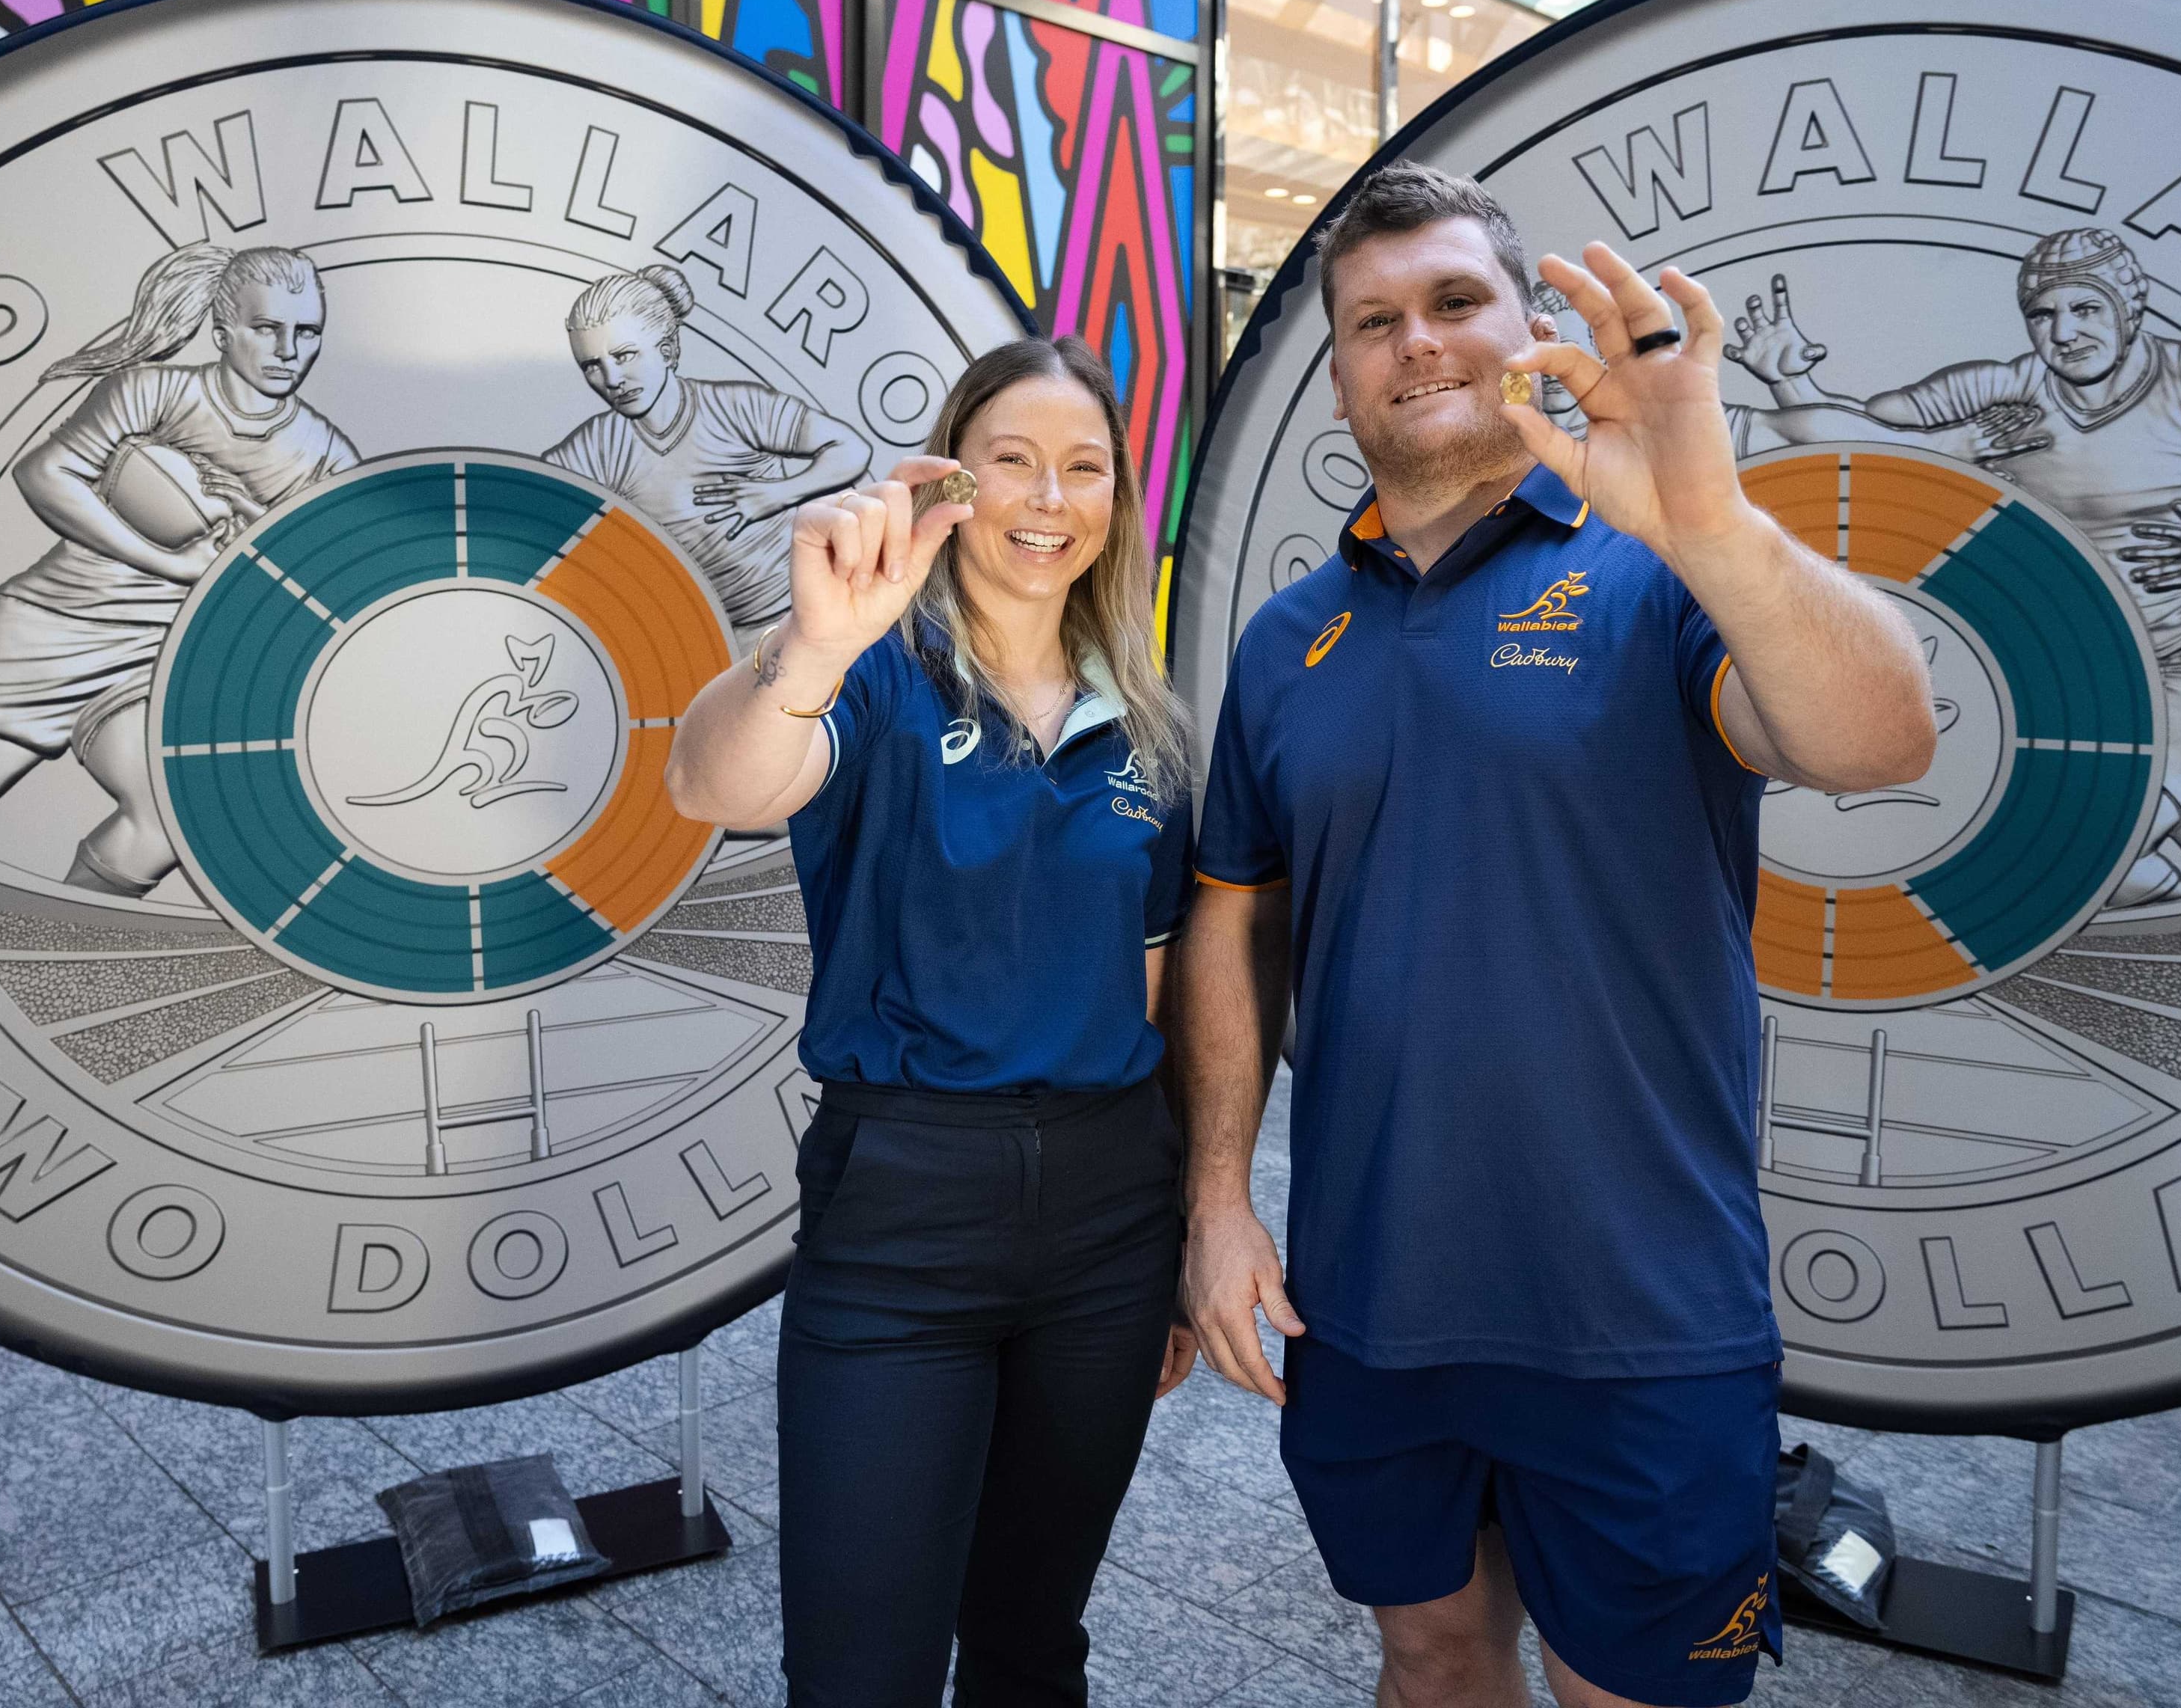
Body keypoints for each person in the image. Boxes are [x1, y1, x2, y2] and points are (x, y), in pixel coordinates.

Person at [1178, 162, 1937, 1708]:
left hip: (1640, 1312)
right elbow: (1234, 916)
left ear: (1528, 326)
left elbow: (1882, 738)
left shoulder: (1661, 572)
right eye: (1374, 321)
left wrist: (1711, 519)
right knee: (1430, 1658)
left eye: (1455, 299)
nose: (1417, 341)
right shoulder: (1285, 642)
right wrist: (1217, 1197)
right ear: (1341, 381)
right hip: (1369, 1301)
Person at [664, 335, 1199, 1706]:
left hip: (1108, 1225)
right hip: (904, 1212)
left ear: (1119, 498)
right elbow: (714, 785)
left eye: (1085, 467)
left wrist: (1185, 1237)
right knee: (863, 1673)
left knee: (1033, 1645)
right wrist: (811, 646)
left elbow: (1154, 999)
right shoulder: (877, 675)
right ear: (951, 485)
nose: (1050, 497)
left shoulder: (1146, 729)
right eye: (1012, 459)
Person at [1722, 231, 2181, 903]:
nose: (2065, 332)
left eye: (2086, 308)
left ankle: (2166, 937)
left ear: (2131, 309)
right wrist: (1792, 381)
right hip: (2086, 686)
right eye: (2043, 314)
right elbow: (1872, 441)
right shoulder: (2002, 392)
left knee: (2064, 853)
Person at [0, 243, 355, 894]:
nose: (289, 350)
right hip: (43, 631)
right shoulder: (154, 391)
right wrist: (171, 563)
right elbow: (44, 473)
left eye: (308, 332)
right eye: (267, 328)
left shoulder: (327, 455)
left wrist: (250, 527)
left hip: (160, 662)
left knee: (175, 813)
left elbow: (320, 590)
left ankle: (60, 946)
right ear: (222, 331)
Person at [544, 263, 875, 631]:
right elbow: (525, 504)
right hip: (707, 641)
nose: (611, 379)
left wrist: (777, 494)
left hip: (804, 616)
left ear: (668, 351)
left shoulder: (735, 406)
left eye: (624, 356)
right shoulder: (595, 446)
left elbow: (850, 448)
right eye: (592, 366)